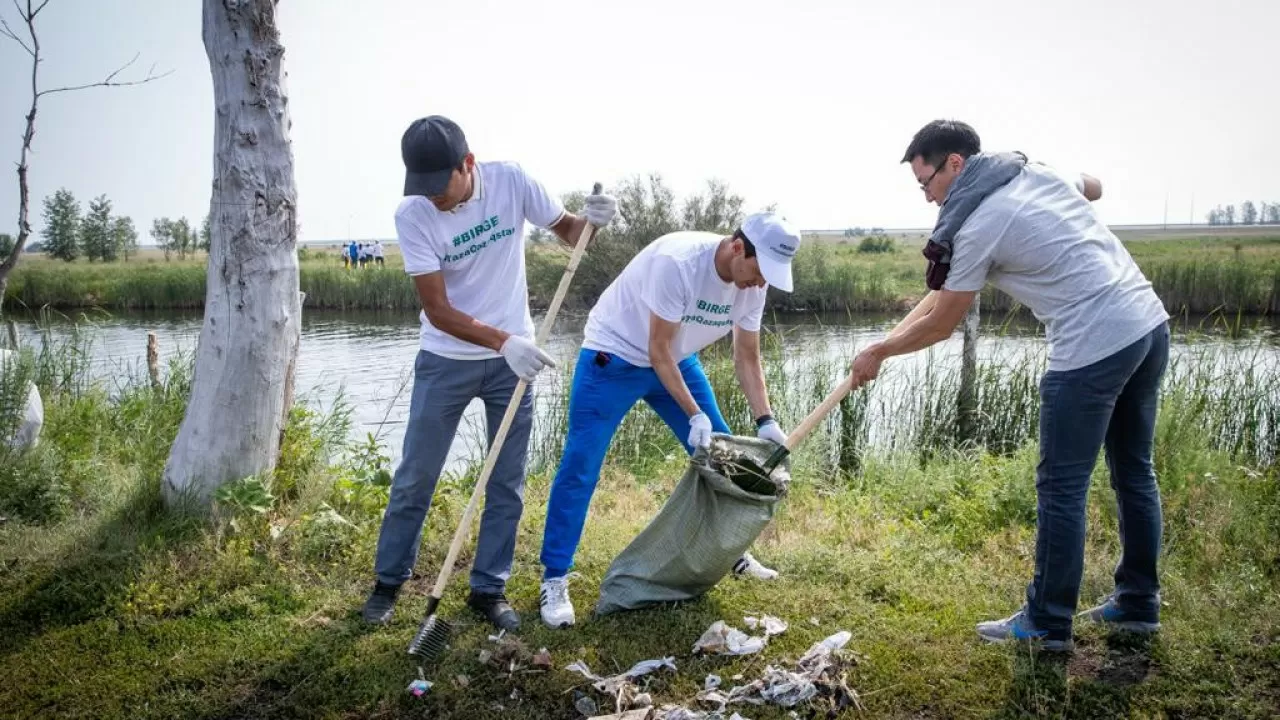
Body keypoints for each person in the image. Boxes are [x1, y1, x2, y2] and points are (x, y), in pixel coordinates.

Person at [849, 119, 1170, 651]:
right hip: (1148, 326)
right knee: (1134, 473)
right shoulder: (1034, 173)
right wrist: (880, 345)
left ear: (955, 163)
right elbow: (1094, 185)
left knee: (1061, 487)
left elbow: (943, 320)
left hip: (1092, 344)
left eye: (926, 183)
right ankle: (1139, 603)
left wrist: (881, 351)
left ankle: (1046, 622)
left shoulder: (978, 223)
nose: (928, 198)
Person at [361, 115, 618, 631]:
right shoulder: (413, 214)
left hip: (512, 366)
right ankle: (388, 583)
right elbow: (438, 310)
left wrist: (595, 220)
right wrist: (504, 342)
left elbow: (570, 232)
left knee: (507, 481)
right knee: (416, 476)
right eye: (423, 188)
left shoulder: (511, 180)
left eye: (442, 186)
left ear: (468, 164)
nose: (434, 198)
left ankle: (488, 589)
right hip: (446, 360)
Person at [537, 211, 801, 629]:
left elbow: (747, 356)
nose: (762, 282)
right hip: (614, 356)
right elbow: (656, 349)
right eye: (760, 270)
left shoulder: (753, 286)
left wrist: (765, 419)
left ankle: (729, 552)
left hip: (675, 361)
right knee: (581, 466)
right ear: (737, 247)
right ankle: (554, 577)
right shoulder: (678, 264)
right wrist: (693, 413)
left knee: (724, 458)